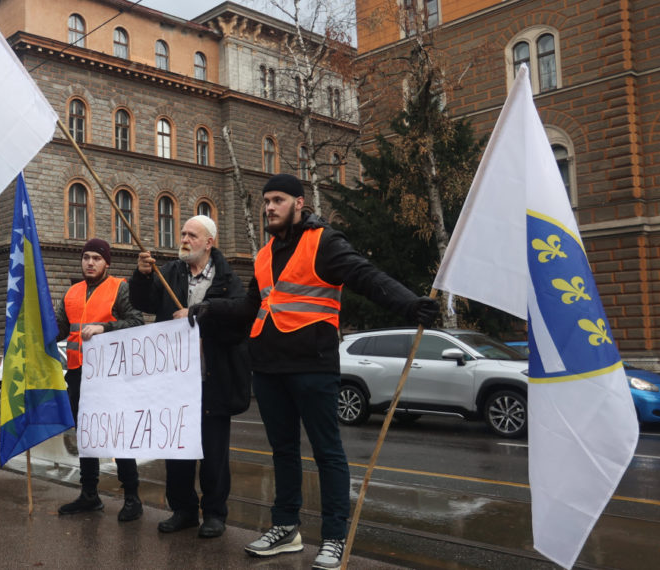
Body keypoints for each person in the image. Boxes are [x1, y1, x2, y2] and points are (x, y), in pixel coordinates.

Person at [198, 174, 439, 569]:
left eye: (277, 200)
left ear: (299, 202)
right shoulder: (263, 255)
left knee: (327, 453)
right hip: (270, 368)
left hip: (313, 365)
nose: (269, 207)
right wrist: (209, 309)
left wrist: (410, 305)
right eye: (265, 201)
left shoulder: (323, 241)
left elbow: (365, 275)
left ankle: (333, 537)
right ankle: (286, 529)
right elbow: (248, 310)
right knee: (283, 451)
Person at [129, 215, 252, 539]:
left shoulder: (228, 278)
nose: (183, 238)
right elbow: (143, 302)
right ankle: (183, 510)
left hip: (214, 379)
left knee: (213, 453)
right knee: (178, 450)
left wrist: (199, 313)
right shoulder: (168, 272)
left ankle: (214, 513)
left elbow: (238, 319)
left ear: (209, 242)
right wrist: (141, 277)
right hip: (175, 381)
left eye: (192, 235)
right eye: (182, 233)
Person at [55, 238, 145, 521]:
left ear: (107, 262)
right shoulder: (71, 293)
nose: (90, 263)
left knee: (118, 434)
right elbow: (56, 331)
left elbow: (137, 322)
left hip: (110, 375)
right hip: (79, 374)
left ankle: (132, 497)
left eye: (96, 258)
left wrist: (105, 328)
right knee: (87, 435)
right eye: (86, 258)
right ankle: (89, 495)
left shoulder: (119, 288)